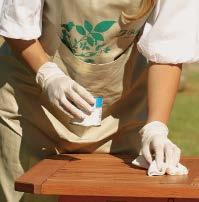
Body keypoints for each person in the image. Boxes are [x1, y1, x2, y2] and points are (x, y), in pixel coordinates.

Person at [0, 0, 199, 201]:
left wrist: (156, 126)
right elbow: (16, 21)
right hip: (30, 105)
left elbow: (168, 45)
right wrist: (48, 74)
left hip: (119, 113)